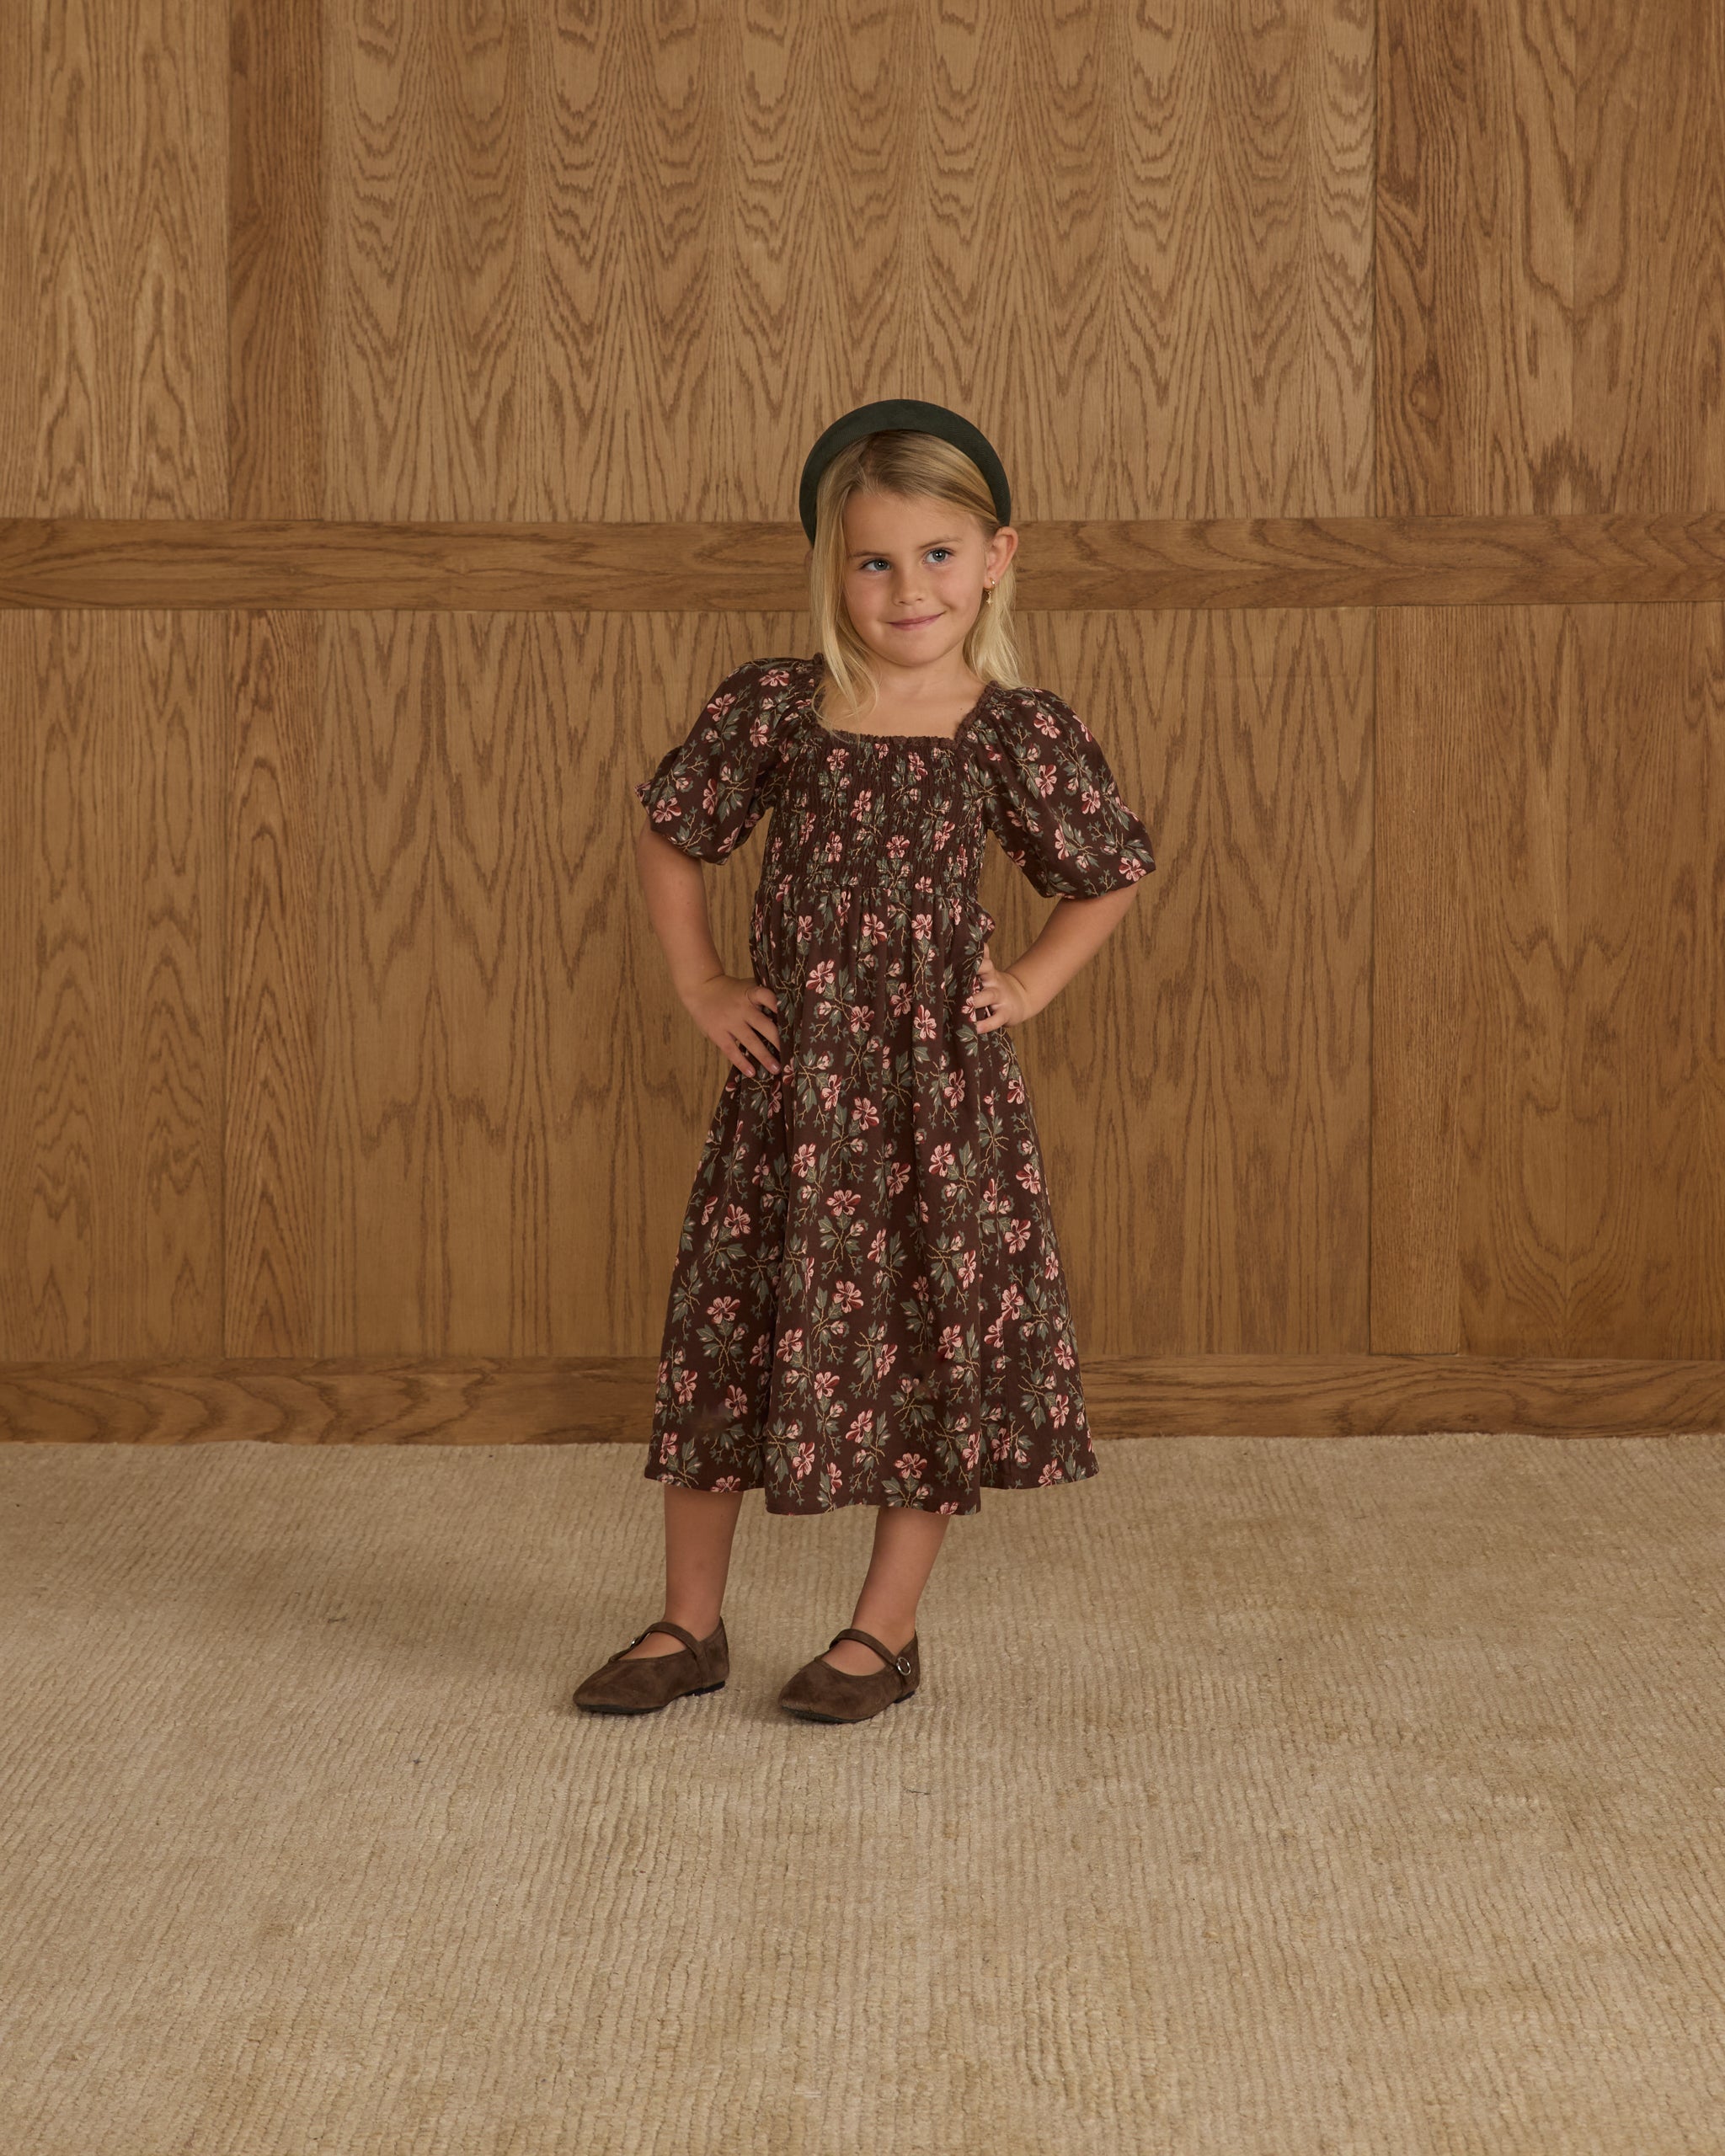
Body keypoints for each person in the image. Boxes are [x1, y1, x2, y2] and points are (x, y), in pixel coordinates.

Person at [573, 398, 1156, 1726]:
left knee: (925, 1345)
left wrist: (1031, 982)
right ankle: (687, 1621)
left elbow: (1108, 871)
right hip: (793, 1094)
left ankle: (881, 1633)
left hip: (937, 1105)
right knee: (728, 1331)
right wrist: (702, 980)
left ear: (997, 556)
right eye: (876, 560)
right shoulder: (780, 705)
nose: (909, 589)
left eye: (939, 555)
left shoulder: (1016, 732)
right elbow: (676, 834)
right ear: (832, 564)